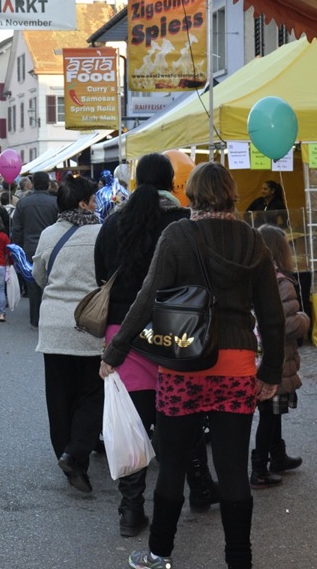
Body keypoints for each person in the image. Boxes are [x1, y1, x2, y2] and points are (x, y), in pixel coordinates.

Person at [101, 162, 285, 569]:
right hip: (236, 366)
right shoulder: (254, 241)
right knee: (234, 469)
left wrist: (114, 353)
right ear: (232, 193)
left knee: (173, 466)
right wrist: (271, 372)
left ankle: (159, 553)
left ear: (193, 195)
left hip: (184, 364)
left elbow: (147, 297)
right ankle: (239, 560)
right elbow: (272, 316)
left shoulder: (178, 235)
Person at [94, 152, 219, 538]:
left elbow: (102, 276)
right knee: (184, 416)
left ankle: (131, 510)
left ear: (134, 182)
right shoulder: (184, 223)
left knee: (132, 426)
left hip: (123, 334)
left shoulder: (114, 223)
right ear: (172, 183)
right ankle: (199, 487)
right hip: (175, 331)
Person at [32, 176, 104, 495]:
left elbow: (39, 276)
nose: (96, 203)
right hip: (90, 324)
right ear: (82, 203)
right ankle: (76, 453)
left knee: (59, 398)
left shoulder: (49, 234)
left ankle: (67, 456)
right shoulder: (101, 233)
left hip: (54, 326)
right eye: (93, 198)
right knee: (92, 393)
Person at [250, 224, 307, 489]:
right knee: (270, 415)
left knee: (271, 412)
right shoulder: (280, 282)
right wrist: (304, 320)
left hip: (255, 357)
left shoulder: (251, 275)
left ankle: (278, 456)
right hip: (275, 358)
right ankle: (260, 467)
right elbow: (287, 324)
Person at [11, 171, 59, 328]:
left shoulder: (23, 203)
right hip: (53, 247)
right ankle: (50, 317)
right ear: (48, 184)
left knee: (33, 285)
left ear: (32, 184)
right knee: (52, 282)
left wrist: (16, 250)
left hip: (30, 247)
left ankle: (35, 319)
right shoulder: (56, 202)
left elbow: (17, 229)